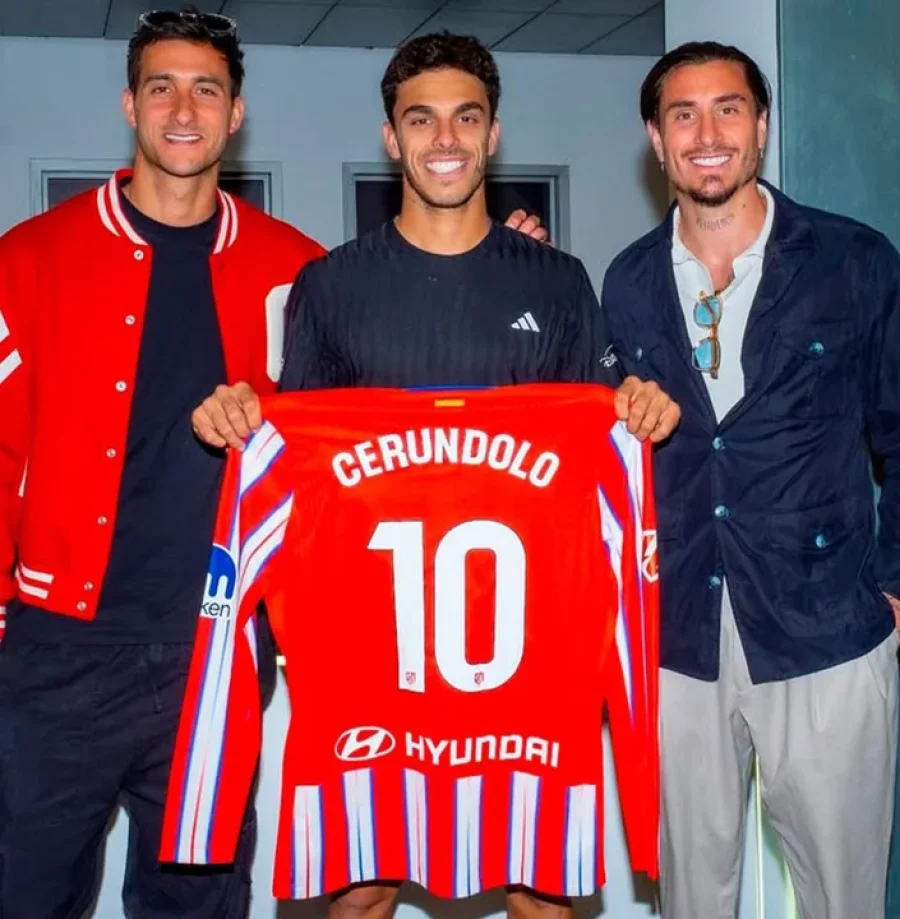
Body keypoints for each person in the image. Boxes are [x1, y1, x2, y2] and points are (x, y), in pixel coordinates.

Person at [192, 30, 680, 919]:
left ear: (494, 136)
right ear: (392, 138)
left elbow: (600, 447)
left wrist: (636, 411)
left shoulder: (561, 281)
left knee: (544, 889)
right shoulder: (329, 287)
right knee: (363, 886)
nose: (445, 139)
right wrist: (248, 418)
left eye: (466, 117)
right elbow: (303, 468)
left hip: (530, 653)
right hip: (373, 649)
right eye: (422, 119)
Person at [0, 9, 328, 918]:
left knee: (199, 901)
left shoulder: (299, 271)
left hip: (218, 652)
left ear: (236, 113)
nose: (184, 109)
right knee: (25, 891)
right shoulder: (28, 260)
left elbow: (368, 434)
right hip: (56, 647)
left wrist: (506, 265)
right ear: (130, 105)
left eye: (206, 89)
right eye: (162, 87)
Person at [597, 40, 900, 919]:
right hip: (679, 637)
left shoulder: (854, 261)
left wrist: (892, 585)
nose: (706, 133)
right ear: (656, 141)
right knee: (691, 895)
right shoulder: (627, 281)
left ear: (761, 127)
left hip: (826, 633)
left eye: (728, 108)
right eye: (681, 114)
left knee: (841, 896)